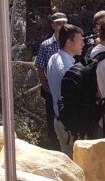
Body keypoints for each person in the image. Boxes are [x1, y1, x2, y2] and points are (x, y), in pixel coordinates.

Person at [46, 24, 84, 156]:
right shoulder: (67, 67)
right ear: (69, 42)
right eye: (80, 41)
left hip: (59, 119)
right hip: (69, 123)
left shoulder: (53, 58)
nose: (83, 44)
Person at [34, 11, 68, 147]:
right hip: (51, 89)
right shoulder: (46, 45)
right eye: (59, 23)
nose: (62, 25)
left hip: (67, 88)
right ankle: (54, 146)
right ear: (52, 25)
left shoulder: (72, 42)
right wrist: (45, 85)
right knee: (52, 118)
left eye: (64, 23)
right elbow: (39, 67)